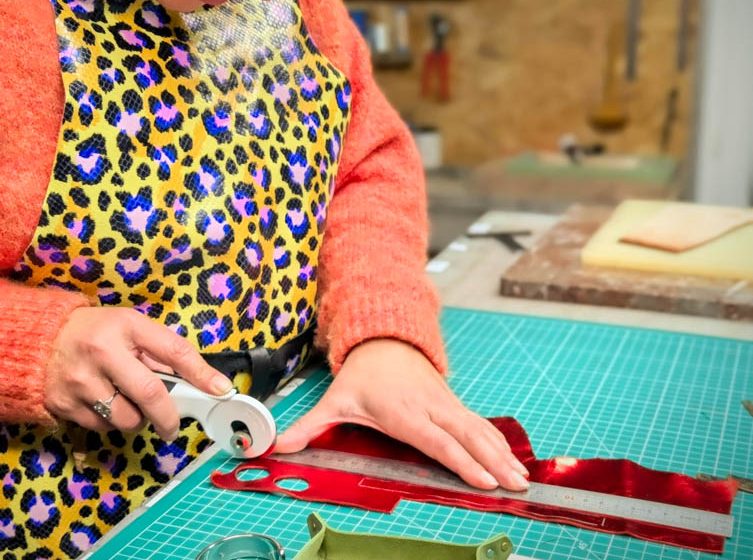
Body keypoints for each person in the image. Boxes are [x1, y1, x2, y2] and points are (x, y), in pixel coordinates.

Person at [0, 0, 529, 556]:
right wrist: (36, 346)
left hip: (292, 432)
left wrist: (381, 333)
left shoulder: (309, 14)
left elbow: (364, 171)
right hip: (77, 503)